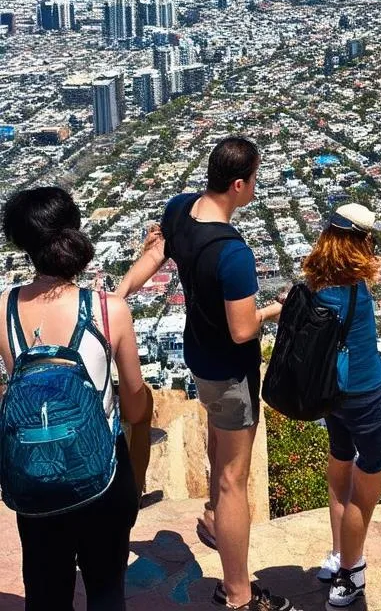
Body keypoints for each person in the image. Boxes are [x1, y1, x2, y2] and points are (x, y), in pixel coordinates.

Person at [118, 135, 288, 611]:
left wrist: (120, 292)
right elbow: (241, 330)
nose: (255, 186)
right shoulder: (233, 253)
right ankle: (238, 593)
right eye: (253, 179)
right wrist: (275, 308)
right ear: (237, 184)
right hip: (231, 373)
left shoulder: (179, 209)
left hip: (199, 359)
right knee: (235, 475)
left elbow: (154, 257)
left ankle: (215, 518)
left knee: (218, 441)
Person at [0, 186, 150, 611]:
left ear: (23, 245)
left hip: (35, 474)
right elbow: (136, 407)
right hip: (102, 473)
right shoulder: (108, 310)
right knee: (105, 591)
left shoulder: (3, 308)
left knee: (46, 593)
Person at [302, 203, 381, 608]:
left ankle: (339, 554)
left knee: (340, 463)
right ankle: (351, 573)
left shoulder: (314, 284)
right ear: (361, 242)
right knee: (365, 486)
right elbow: (371, 269)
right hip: (367, 392)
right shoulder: (359, 287)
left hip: (330, 395)